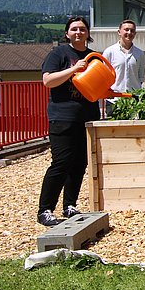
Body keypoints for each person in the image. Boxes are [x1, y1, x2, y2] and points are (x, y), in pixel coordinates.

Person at [37, 16, 101, 226]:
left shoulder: (94, 57)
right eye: (74, 29)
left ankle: (70, 205)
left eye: (82, 29)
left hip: (87, 117)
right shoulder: (59, 54)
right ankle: (45, 209)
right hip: (62, 117)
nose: (78, 32)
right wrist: (75, 69)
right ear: (67, 33)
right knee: (61, 163)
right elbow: (47, 81)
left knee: (80, 163)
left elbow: (98, 86)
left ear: (88, 33)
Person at [102, 19, 145, 115]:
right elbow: (104, 76)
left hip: (133, 101)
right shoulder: (109, 52)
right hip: (114, 101)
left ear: (135, 33)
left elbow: (141, 77)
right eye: (126, 29)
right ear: (119, 32)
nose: (129, 33)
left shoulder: (140, 54)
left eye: (132, 30)